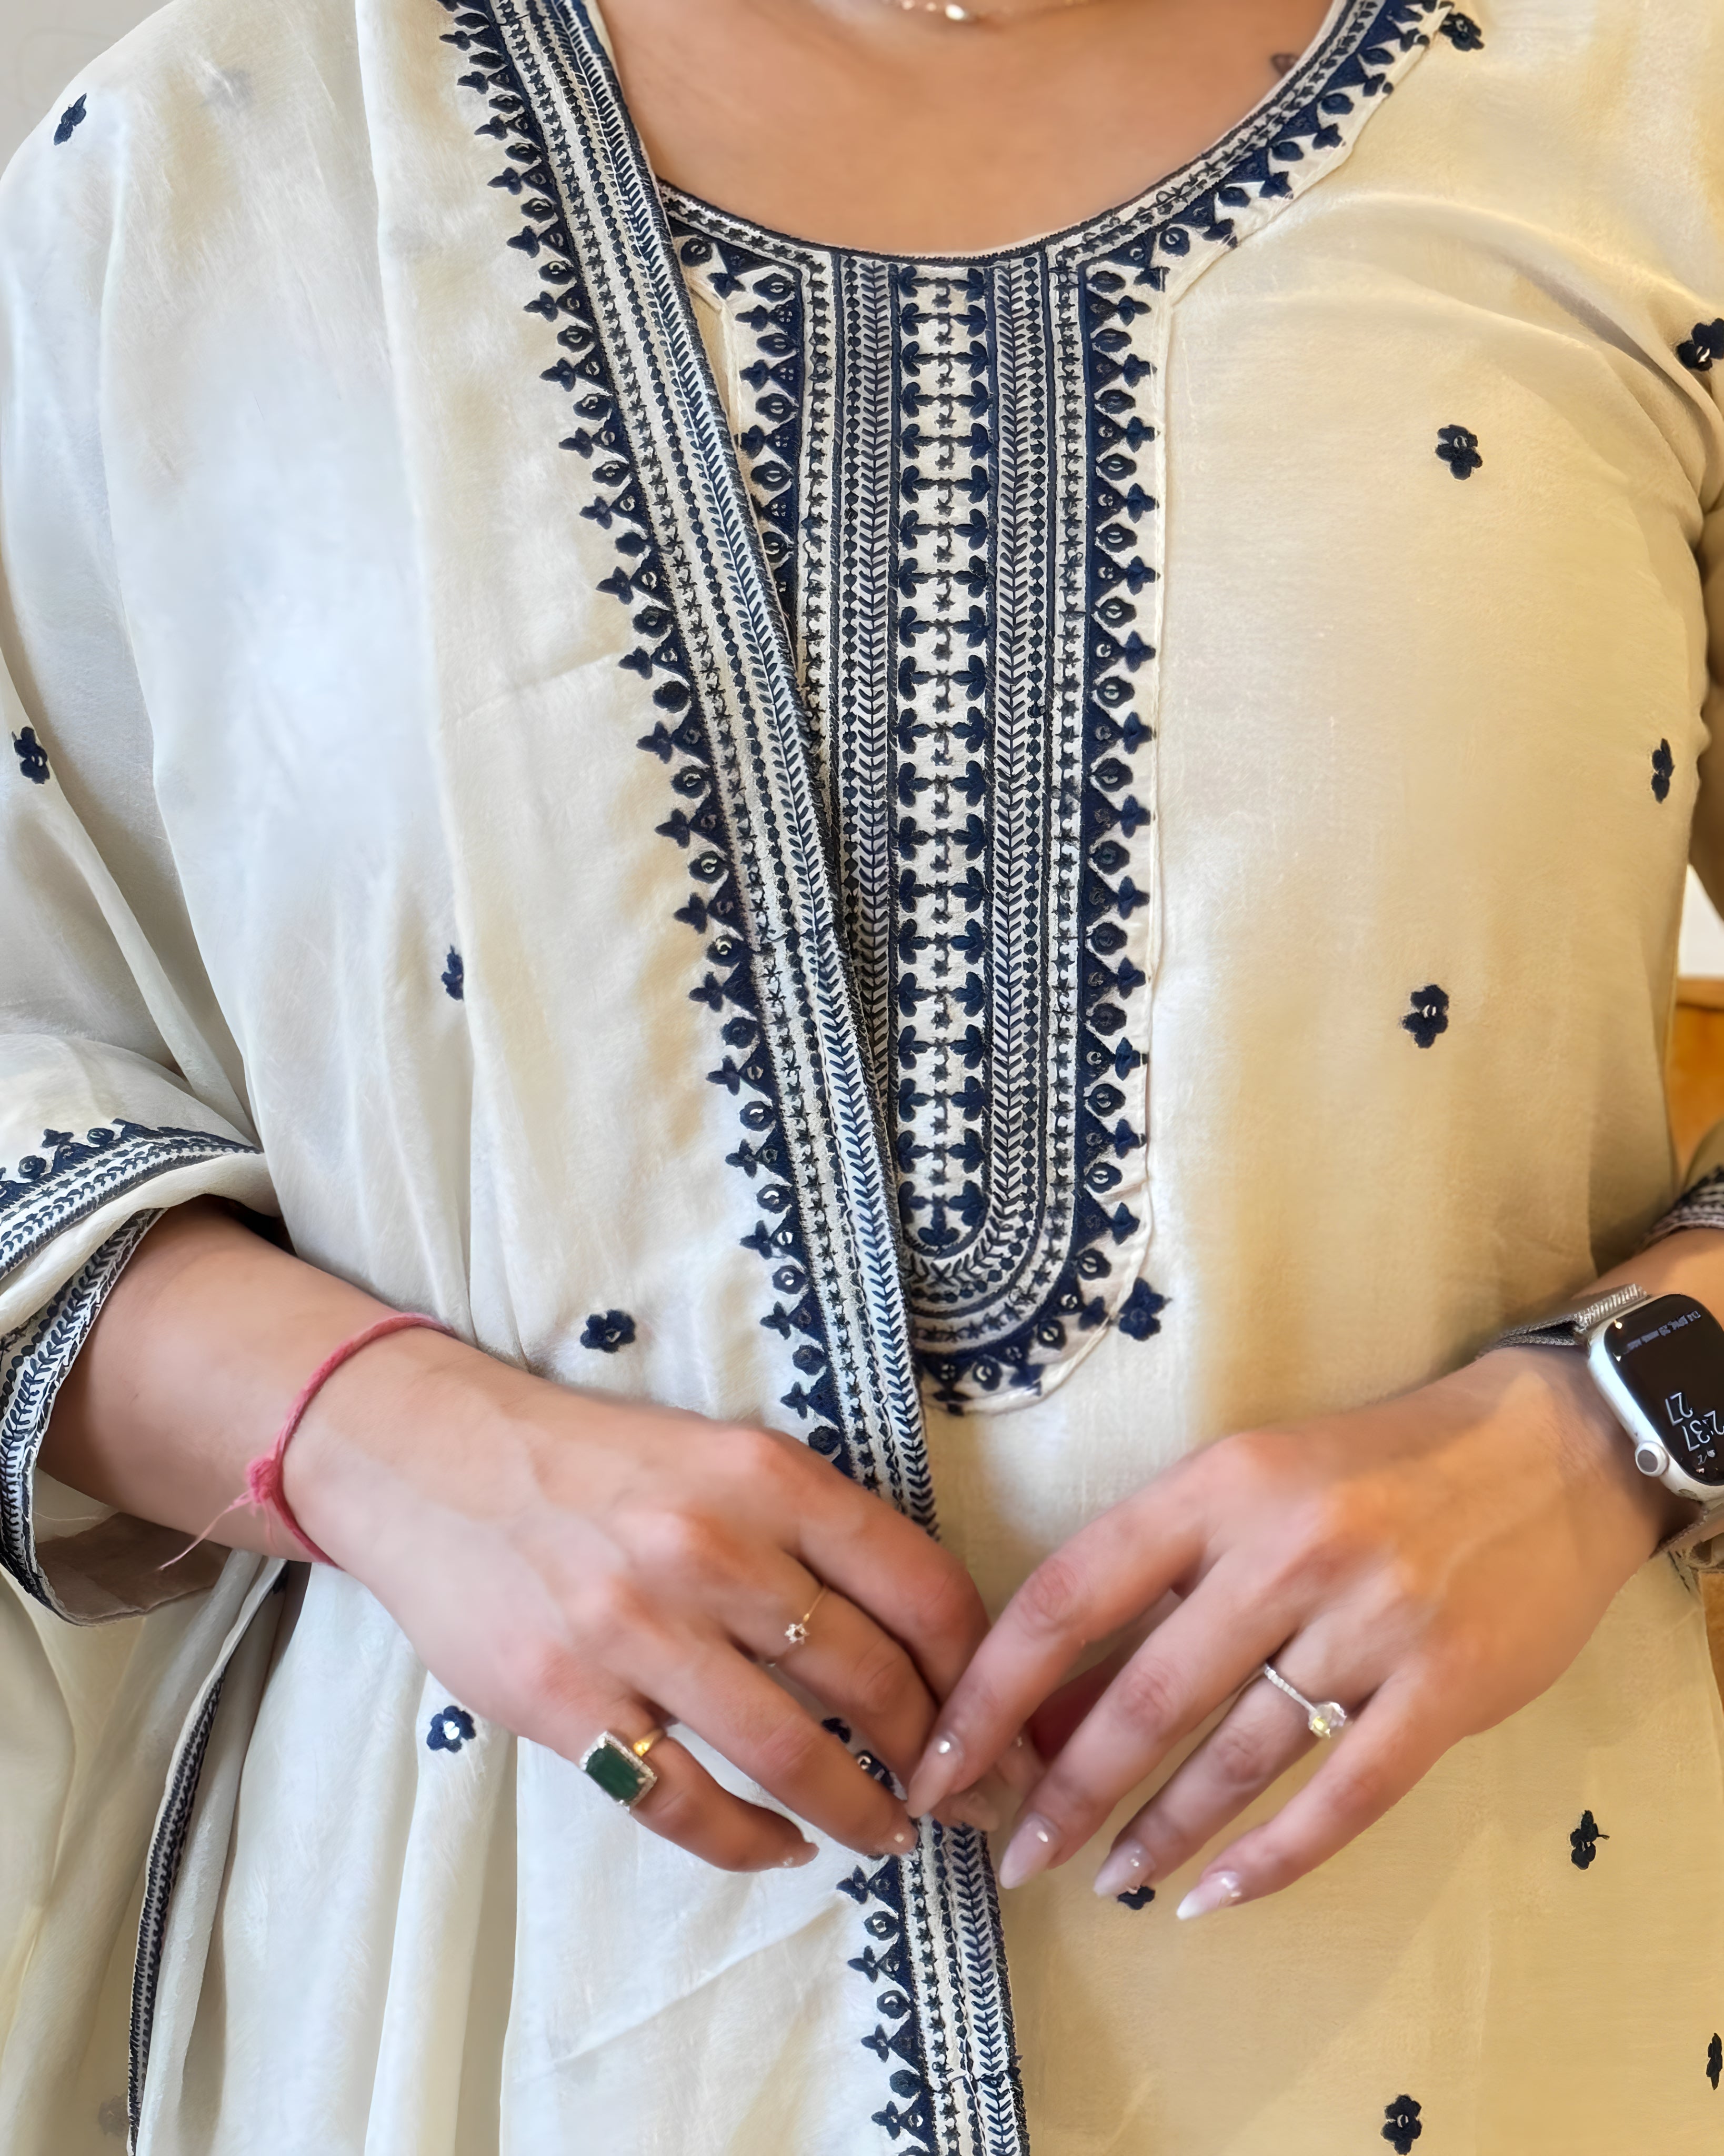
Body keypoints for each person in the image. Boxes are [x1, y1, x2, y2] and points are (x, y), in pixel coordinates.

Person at [4, 0, 1724, 2147]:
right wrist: (379, 1441)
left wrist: (1610, 1418)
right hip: (505, 2005)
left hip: (1459, 1992)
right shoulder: (191, 169)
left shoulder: (1645, 109)